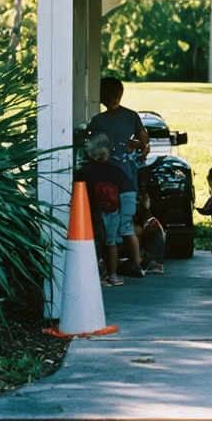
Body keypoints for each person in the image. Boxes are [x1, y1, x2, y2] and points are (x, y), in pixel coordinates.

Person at [88, 77, 149, 279]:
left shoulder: (122, 118)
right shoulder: (102, 121)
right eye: (109, 95)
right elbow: (143, 139)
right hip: (114, 184)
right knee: (123, 226)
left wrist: (140, 148)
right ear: (103, 98)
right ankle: (134, 262)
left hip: (115, 184)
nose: (113, 99)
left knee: (116, 227)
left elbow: (144, 139)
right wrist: (138, 147)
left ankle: (134, 263)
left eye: (115, 95)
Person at [73, 133, 128, 286]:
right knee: (111, 243)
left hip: (91, 211)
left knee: (94, 241)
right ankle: (113, 275)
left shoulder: (83, 172)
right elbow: (123, 190)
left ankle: (92, 273)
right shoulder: (116, 171)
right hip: (113, 210)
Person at [134, 192, 166, 275]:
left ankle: (149, 262)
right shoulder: (145, 213)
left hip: (152, 254)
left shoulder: (142, 213)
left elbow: (139, 231)